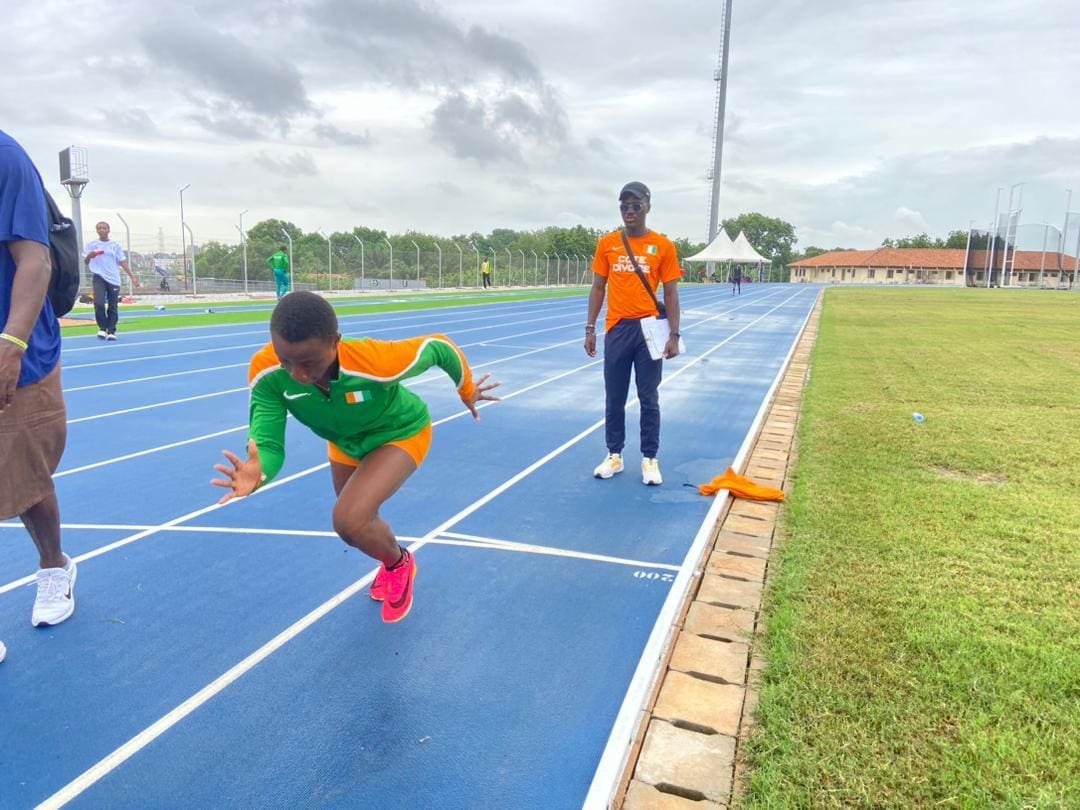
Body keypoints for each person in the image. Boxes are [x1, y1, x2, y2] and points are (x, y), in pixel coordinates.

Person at [211, 291, 500, 623]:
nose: (297, 374)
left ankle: (400, 564)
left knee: (349, 519)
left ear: (335, 341)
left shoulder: (374, 361)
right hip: (345, 444)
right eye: (285, 360)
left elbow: (439, 347)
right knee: (359, 524)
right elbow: (269, 446)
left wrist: (467, 390)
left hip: (399, 432)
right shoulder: (266, 374)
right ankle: (390, 559)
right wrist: (259, 472)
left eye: (309, 363)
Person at [0, 129, 77, 636]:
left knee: (25, 476)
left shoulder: (5, 158)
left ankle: (54, 565)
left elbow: (35, 260)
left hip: (15, 348)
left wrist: (12, 344)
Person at [585, 181, 681, 486]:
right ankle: (614, 454)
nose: (629, 211)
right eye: (624, 205)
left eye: (636, 205)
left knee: (648, 397)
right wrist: (590, 328)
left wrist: (675, 334)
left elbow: (671, 292)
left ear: (647, 207)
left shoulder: (663, 246)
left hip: (649, 330)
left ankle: (649, 458)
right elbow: (598, 287)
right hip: (617, 329)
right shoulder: (607, 244)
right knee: (614, 396)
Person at [84, 220, 139, 340]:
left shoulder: (115, 245)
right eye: (99, 228)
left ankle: (111, 331)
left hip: (113, 278)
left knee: (112, 305)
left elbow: (122, 262)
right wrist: (90, 256)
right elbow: (86, 262)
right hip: (99, 277)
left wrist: (132, 277)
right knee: (98, 302)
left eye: (104, 228)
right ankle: (102, 328)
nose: (102, 230)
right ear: (96, 230)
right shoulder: (91, 244)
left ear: (108, 230)